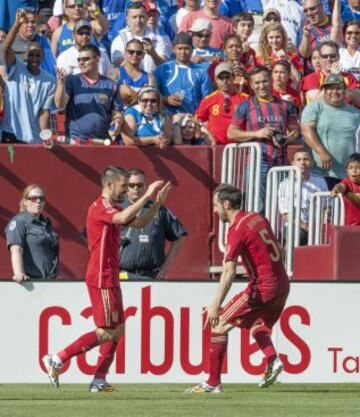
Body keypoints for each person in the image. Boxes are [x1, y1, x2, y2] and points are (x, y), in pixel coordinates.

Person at [43, 166, 171, 392]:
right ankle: (58, 358)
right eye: (123, 186)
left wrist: (158, 203)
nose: (125, 190)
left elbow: (139, 223)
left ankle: (99, 380)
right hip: (101, 276)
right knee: (107, 331)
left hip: (110, 275)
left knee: (118, 328)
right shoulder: (101, 207)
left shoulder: (113, 207)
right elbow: (123, 217)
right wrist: (147, 195)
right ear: (109, 185)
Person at [186, 183, 289, 393]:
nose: (215, 211)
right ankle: (272, 360)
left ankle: (213, 383)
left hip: (263, 286)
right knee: (256, 324)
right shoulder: (257, 217)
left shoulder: (237, 230)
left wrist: (216, 305)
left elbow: (229, 271)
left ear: (226, 204)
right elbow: (277, 249)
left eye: (216, 206)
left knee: (219, 324)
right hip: (283, 284)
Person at [228, 65, 299, 208]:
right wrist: (256, 133)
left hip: (281, 163)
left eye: (265, 81)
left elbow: (296, 132)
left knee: (284, 207)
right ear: (252, 86)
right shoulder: (245, 106)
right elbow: (231, 133)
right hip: (257, 164)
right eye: (257, 83)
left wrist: (286, 140)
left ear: (271, 81)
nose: (262, 86)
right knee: (257, 206)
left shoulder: (286, 105)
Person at [120, 168, 187, 280]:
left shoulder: (158, 208)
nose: (136, 188)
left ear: (145, 187)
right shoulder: (117, 208)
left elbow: (180, 236)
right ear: (126, 187)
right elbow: (93, 235)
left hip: (152, 276)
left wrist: (165, 267)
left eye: (139, 185)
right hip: (123, 275)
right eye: (131, 185)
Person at [1, 11, 55, 144]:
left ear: (43, 58)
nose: (34, 58)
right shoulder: (16, 69)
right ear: (25, 56)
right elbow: (5, 48)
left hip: (34, 138)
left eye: (37, 55)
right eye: (31, 54)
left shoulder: (49, 80)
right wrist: (16, 24)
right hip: (11, 132)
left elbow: (44, 111)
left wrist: (45, 135)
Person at [54, 45, 123, 144]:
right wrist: (61, 83)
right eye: (79, 60)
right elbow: (59, 105)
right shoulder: (72, 80)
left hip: (101, 142)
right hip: (75, 141)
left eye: (85, 59)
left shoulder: (111, 85)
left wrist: (117, 122)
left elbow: (116, 112)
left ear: (98, 59)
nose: (81, 63)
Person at [301, 74, 360, 189]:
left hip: (348, 176)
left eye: (338, 88)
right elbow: (306, 130)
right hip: (320, 173)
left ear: (345, 90)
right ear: (324, 90)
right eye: (330, 88)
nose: (334, 91)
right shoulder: (314, 107)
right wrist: (322, 152)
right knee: (322, 206)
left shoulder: (356, 113)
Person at [4, 184, 59, 282]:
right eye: (34, 198)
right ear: (25, 202)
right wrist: (18, 273)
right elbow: (16, 249)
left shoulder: (46, 225)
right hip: (30, 282)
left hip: (49, 283)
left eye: (41, 198)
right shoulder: (19, 222)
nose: (38, 201)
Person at [154, 32, 213, 115]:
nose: (183, 52)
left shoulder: (201, 72)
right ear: (173, 49)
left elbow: (208, 100)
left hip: (192, 119)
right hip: (167, 119)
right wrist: (166, 99)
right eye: (180, 48)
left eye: (186, 48)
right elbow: (151, 95)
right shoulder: (162, 69)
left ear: (192, 49)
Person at [278, 148, 328, 245]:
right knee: (297, 235)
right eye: (299, 159)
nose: (302, 162)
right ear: (293, 163)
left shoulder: (320, 181)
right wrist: (305, 226)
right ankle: (290, 259)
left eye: (306, 159)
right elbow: (286, 215)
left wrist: (320, 225)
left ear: (312, 163)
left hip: (316, 225)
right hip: (293, 226)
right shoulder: (285, 184)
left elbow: (326, 207)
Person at [196, 62, 248, 145]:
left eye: (227, 77)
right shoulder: (208, 100)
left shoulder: (245, 99)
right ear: (216, 80)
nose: (224, 81)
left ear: (233, 78)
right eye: (221, 78)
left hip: (240, 146)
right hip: (216, 147)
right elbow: (198, 120)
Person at [110, 3, 170, 74]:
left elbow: (164, 67)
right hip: (127, 82)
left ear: (147, 18)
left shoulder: (158, 39)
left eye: (141, 17)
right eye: (134, 17)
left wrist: (153, 53)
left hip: (152, 81)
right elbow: (117, 65)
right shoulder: (120, 40)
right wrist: (136, 54)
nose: (138, 20)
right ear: (128, 20)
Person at [300, 40, 360, 106]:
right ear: (319, 59)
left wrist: (339, 79)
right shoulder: (310, 78)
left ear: (338, 57)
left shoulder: (349, 77)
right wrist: (332, 77)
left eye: (332, 56)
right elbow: (317, 101)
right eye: (325, 56)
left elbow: (358, 100)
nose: (329, 59)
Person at [0, 8, 56, 77]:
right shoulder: (11, 43)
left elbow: (52, 64)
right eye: (26, 22)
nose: (30, 25)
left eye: (33, 22)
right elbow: (4, 51)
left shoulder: (44, 41)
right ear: (19, 24)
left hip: (46, 83)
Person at [108, 39, 155, 108]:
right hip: (119, 114)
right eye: (131, 52)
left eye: (139, 53)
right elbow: (108, 98)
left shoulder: (150, 78)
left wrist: (130, 94)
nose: (135, 55)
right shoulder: (114, 73)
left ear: (143, 55)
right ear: (125, 53)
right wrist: (142, 96)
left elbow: (152, 102)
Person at [331, 152, 360, 225]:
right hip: (350, 227)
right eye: (350, 168)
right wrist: (336, 189)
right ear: (346, 171)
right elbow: (341, 186)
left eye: (358, 168)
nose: (354, 171)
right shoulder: (347, 182)